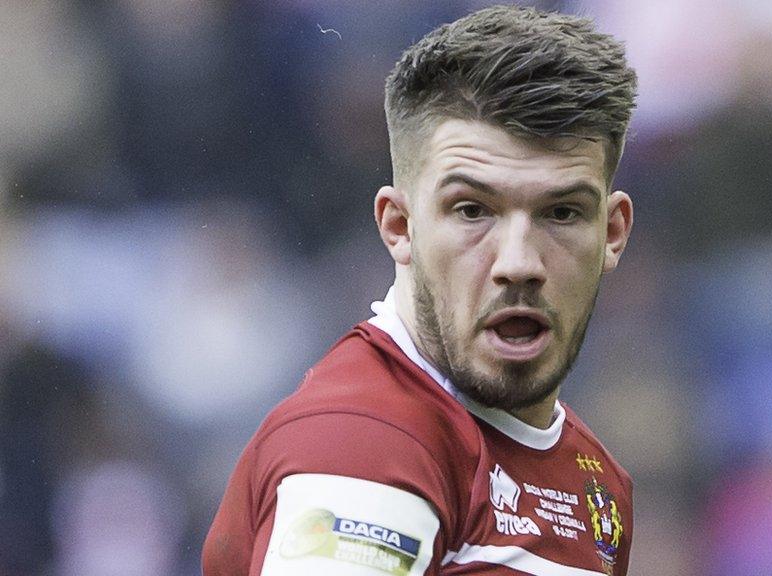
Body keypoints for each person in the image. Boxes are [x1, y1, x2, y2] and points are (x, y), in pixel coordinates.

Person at [203, 5, 638, 575]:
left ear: (611, 233)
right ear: (399, 227)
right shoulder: (362, 444)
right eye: (472, 210)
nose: (519, 263)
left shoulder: (596, 485)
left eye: (561, 213)